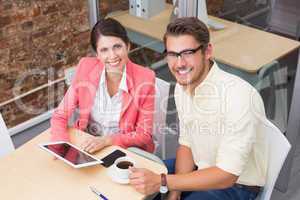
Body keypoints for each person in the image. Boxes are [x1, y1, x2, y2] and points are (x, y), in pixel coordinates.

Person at [129, 17, 268, 200]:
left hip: (237, 185)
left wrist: (164, 181)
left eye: (187, 52)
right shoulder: (182, 87)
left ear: (207, 51)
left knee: (156, 180)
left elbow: (227, 175)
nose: (179, 63)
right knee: (134, 182)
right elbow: (187, 144)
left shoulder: (240, 96)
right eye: (172, 54)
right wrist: (174, 192)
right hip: (200, 165)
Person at [50, 18, 156, 153]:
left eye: (117, 47)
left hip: (124, 150)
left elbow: (143, 135)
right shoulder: (85, 67)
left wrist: (107, 141)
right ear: (97, 54)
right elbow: (60, 115)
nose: (112, 56)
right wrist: (60, 143)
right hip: (87, 144)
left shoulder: (145, 78)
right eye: (104, 50)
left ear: (128, 46)